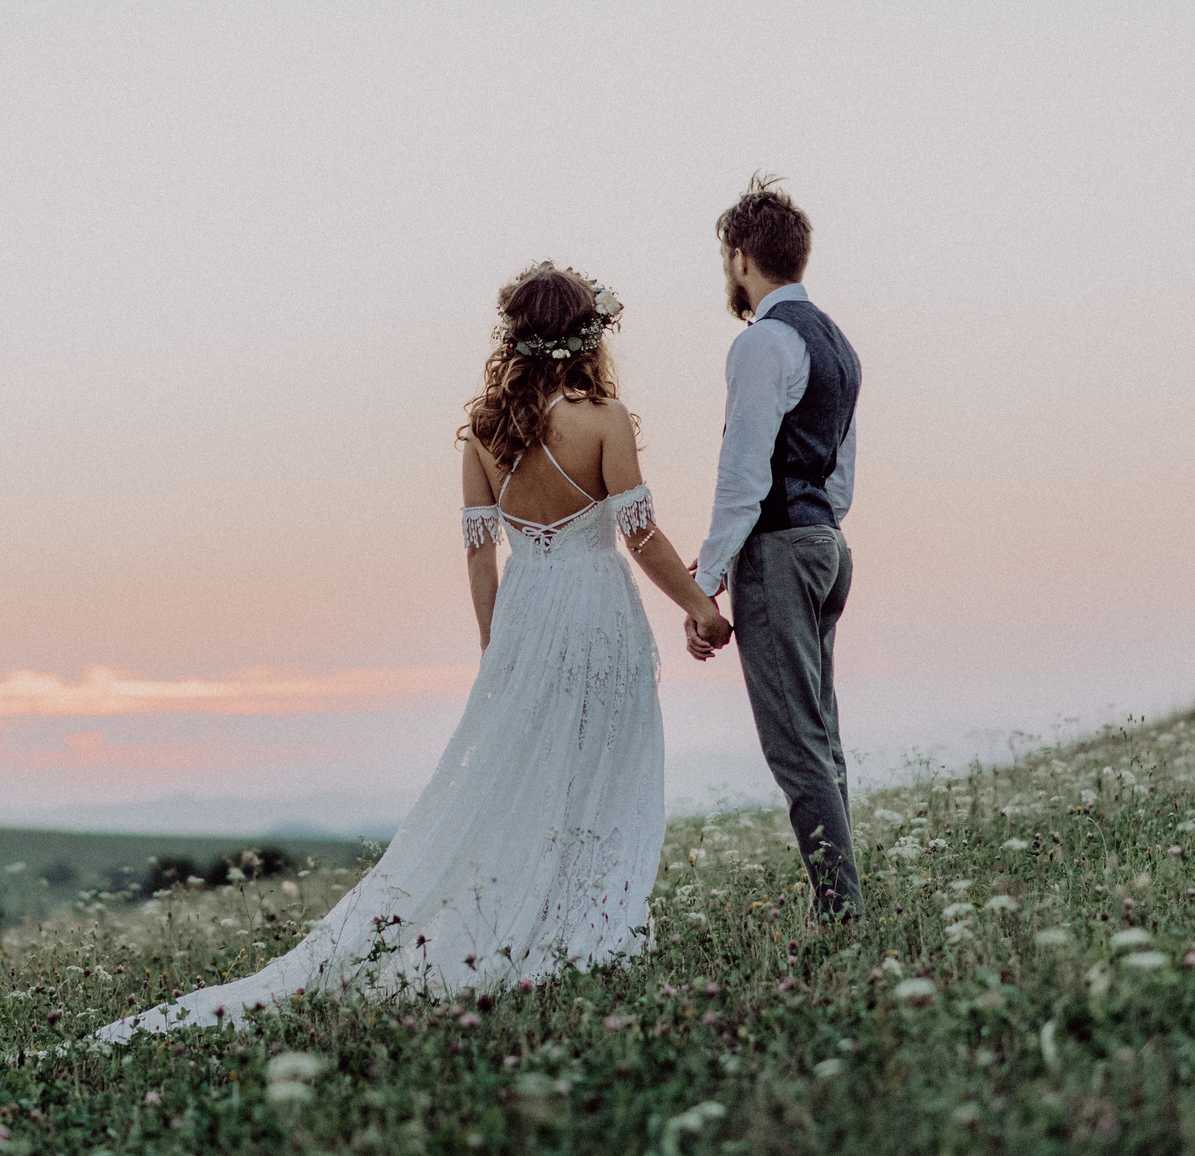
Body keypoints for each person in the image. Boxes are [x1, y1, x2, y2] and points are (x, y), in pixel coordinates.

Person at [98, 262, 728, 1039]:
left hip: (527, 616)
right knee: (599, 763)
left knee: (526, 776)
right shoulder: (603, 418)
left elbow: (479, 556)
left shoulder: (486, 436)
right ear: (589, 336)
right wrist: (699, 606)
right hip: (594, 610)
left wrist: (496, 649)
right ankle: (582, 927)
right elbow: (639, 535)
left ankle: (526, 923)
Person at [685, 177, 864, 921]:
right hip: (825, 540)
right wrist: (816, 527)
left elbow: (741, 474)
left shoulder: (763, 342)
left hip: (781, 550)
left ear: (739, 258)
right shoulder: (838, 343)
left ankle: (839, 909)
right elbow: (842, 472)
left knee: (794, 743)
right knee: (819, 732)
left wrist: (705, 583)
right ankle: (842, 897)